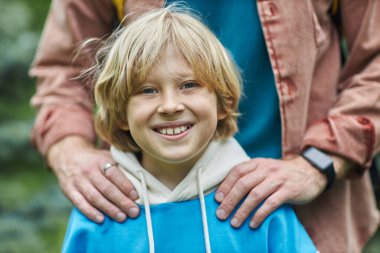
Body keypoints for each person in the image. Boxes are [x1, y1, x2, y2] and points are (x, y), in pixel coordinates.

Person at [30, 0, 380, 252]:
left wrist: (317, 165)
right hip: (134, 197)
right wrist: (69, 149)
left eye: (188, 87)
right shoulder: (101, 226)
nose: (170, 105)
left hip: (306, 207)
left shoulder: (277, 225)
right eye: (150, 91)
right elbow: (64, 68)